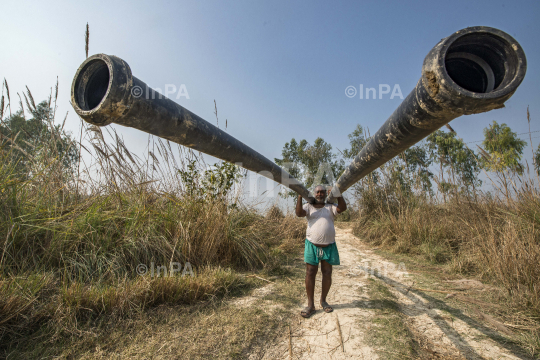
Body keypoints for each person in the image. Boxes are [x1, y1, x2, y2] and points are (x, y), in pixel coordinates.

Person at [296, 185, 347, 318]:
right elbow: (299, 213)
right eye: (317, 192)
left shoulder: (330, 206)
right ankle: (310, 305)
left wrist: (337, 193)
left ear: (325, 194)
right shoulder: (308, 206)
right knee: (310, 272)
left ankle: (323, 301)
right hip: (312, 245)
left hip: (328, 246)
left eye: (322, 192)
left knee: (327, 273)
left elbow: (343, 208)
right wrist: (300, 196)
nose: (319, 194)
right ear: (314, 194)